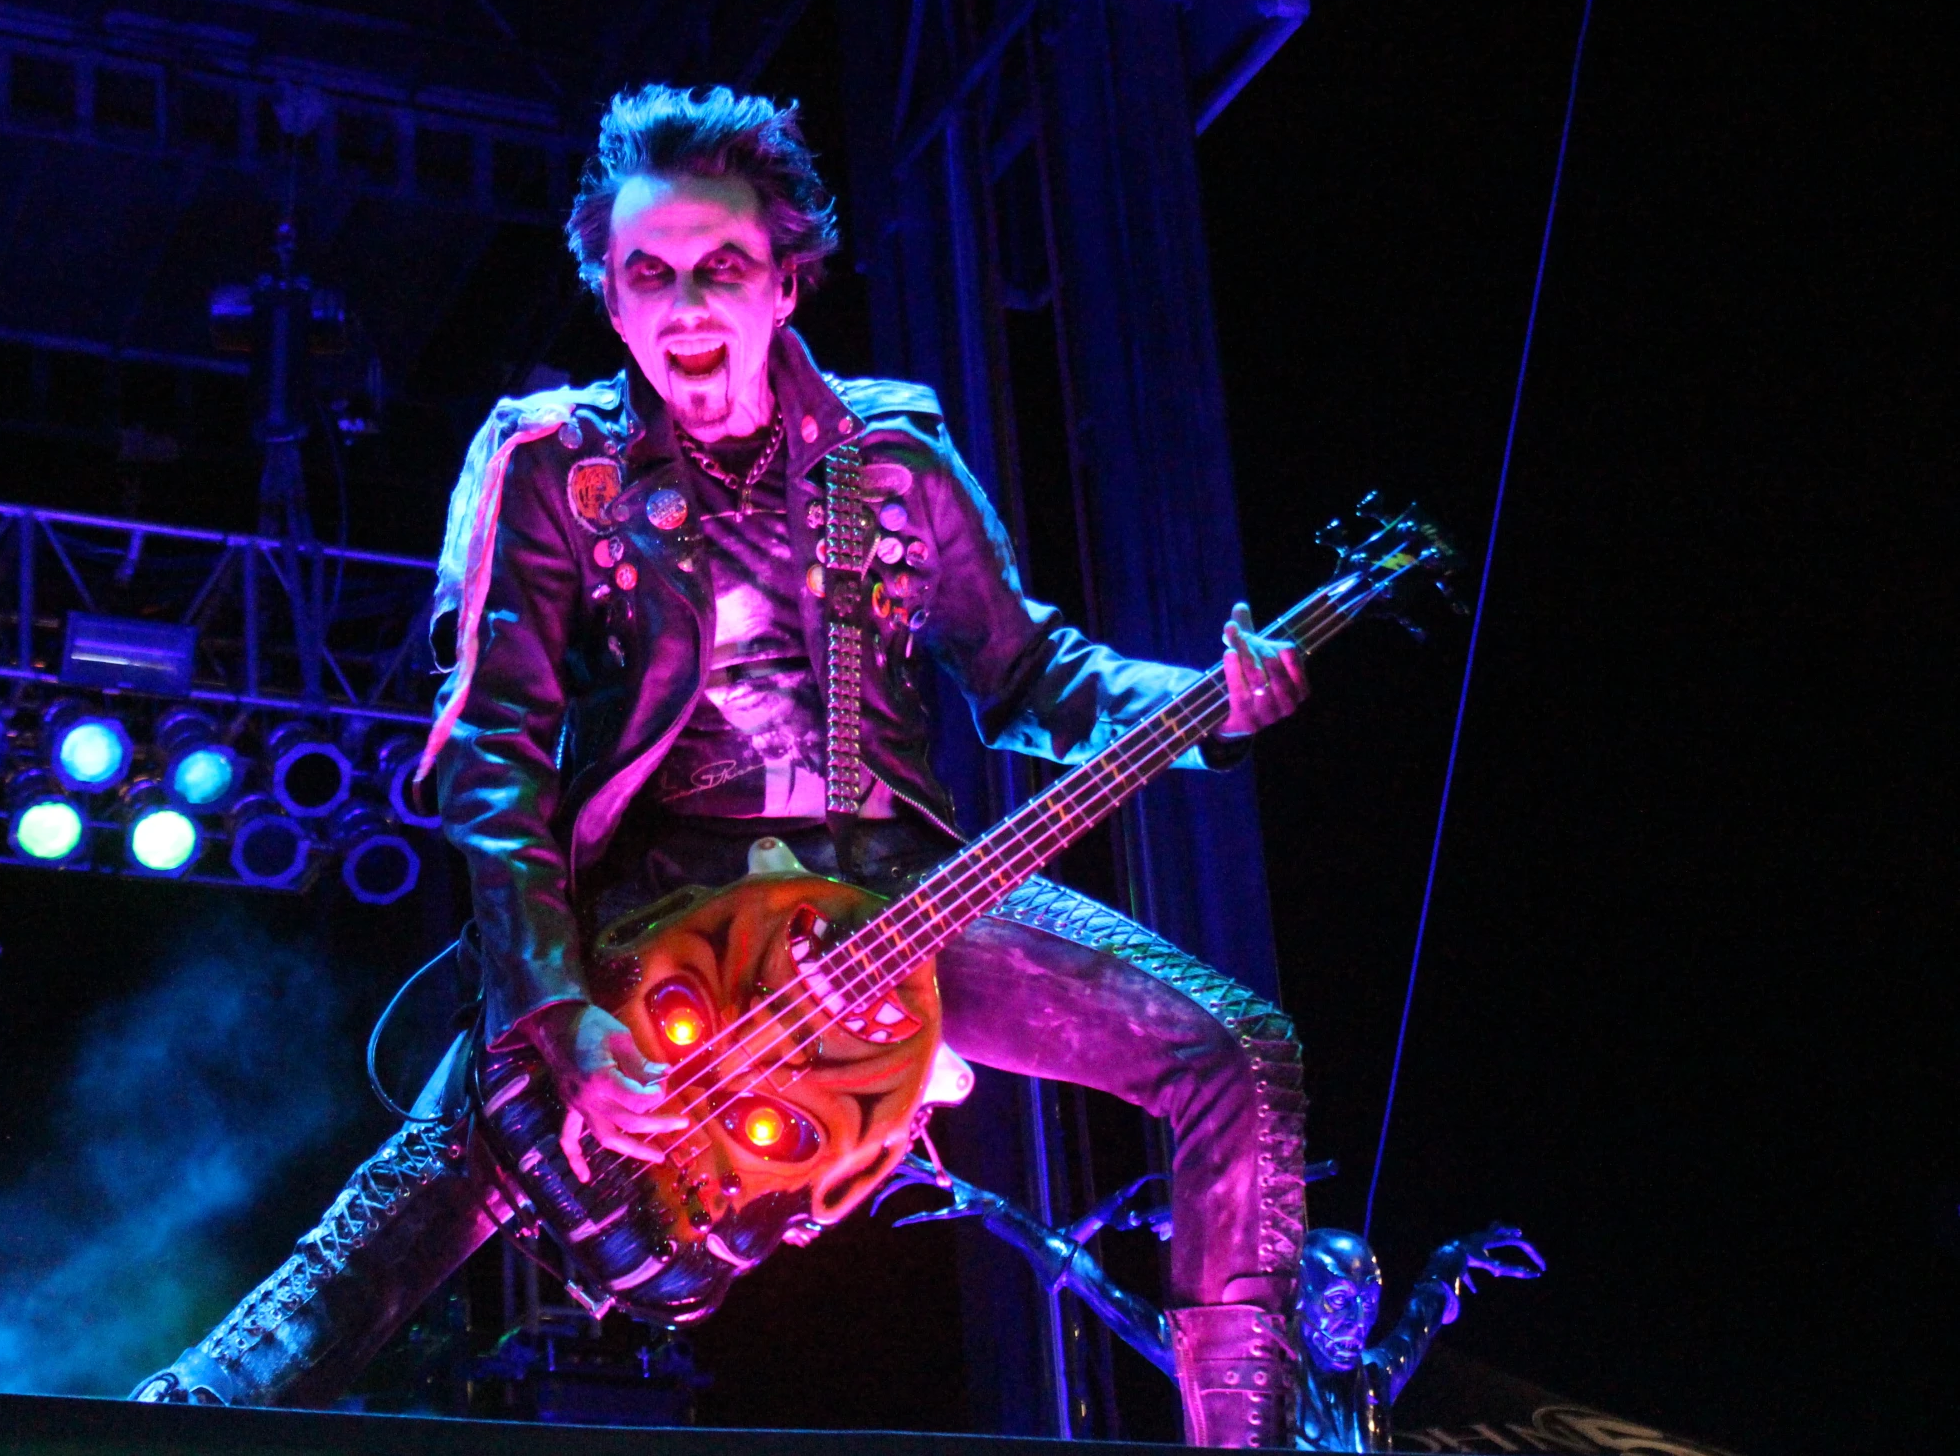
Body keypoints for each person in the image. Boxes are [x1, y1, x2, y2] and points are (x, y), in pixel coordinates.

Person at [135, 84, 1310, 1448]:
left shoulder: (893, 455)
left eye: (720, 270)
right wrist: (563, 1007)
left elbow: (1029, 670)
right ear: (609, 291)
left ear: (786, 279)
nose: (686, 307)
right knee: (413, 1214)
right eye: (650, 276)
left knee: (1236, 1047)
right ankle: (150, 1433)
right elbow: (490, 760)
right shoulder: (549, 464)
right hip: (649, 918)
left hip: (890, 905)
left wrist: (1205, 699)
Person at [1293, 1226, 1547, 1451]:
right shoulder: (1271, 1383)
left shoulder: (1372, 1378)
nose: (1358, 1320)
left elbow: (1419, 1320)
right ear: (1298, 1297)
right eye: (1339, 1299)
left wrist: (1451, 1256)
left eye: (1369, 1302)